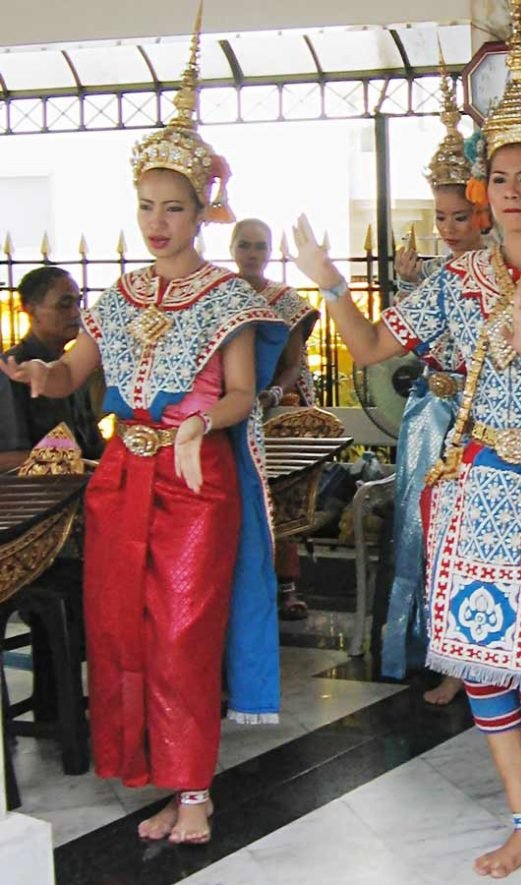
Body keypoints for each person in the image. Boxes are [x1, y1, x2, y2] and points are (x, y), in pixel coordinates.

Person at [290, 1, 521, 874]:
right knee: (483, 657)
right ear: (483, 187)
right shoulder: (456, 278)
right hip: (474, 481)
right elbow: (372, 346)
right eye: (500, 175)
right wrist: (333, 284)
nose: (513, 190)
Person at [1, 21, 288, 845]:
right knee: (122, 625)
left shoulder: (228, 297)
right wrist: (38, 376)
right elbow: (72, 369)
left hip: (197, 482)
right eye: (147, 208)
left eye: (174, 208)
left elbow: (241, 394)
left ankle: (194, 793)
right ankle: (169, 779)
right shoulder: (118, 296)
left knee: (181, 631)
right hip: (124, 476)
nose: (158, 222)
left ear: (204, 211)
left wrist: (201, 421)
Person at [382, 64, 483, 705]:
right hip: (429, 416)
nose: (449, 227)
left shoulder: (493, 275)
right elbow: (400, 343)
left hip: (477, 421)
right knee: (416, 531)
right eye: (441, 217)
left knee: (464, 537)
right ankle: (420, 648)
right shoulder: (431, 281)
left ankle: (464, 661)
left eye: (459, 216)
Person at [231, 217, 319, 619]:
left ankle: (287, 586)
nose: (252, 254)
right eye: (244, 245)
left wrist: (270, 396)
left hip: (274, 410)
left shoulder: (285, 300)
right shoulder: (221, 295)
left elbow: (292, 364)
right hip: (229, 410)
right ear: (232, 248)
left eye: (260, 246)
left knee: (278, 495)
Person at [0, 266, 104, 462]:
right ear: (31, 310)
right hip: (34, 490)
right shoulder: (12, 368)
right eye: (64, 304)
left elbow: (92, 444)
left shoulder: (74, 366)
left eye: (78, 303)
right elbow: (9, 455)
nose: (76, 313)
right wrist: (74, 463)